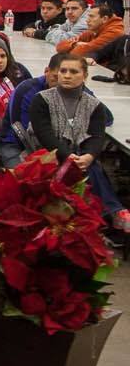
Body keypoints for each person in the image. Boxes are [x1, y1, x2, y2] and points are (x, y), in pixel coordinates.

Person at [29, 51, 130, 233]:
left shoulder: (95, 106)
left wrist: (89, 156)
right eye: (63, 71)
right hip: (46, 157)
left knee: (88, 166)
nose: (67, 75)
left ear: (85, 75)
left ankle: (103, 217)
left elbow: (96, 136)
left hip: (80, 158)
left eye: (74, 72)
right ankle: (113, 212)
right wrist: (69, 156)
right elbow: (45, 135)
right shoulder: (41, 100)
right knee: (88, 168)